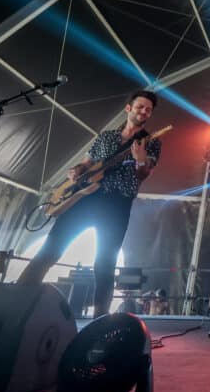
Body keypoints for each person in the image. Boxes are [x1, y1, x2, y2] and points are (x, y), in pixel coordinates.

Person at [18, 90, 162, 316]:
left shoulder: (151, 142)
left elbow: (143, 175)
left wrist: (140, 159)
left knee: (105, 263)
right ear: (128, 109)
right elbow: (86, 163)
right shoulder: (105, 137)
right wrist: (77, 170)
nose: (144, 111)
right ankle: (17, 303)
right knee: (50, 250)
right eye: (140, 107)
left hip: (117, 204)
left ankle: (100, 322)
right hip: (84, 198)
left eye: (148, 110)